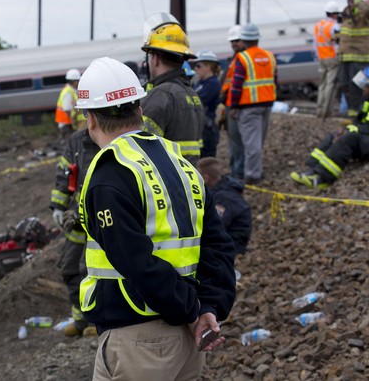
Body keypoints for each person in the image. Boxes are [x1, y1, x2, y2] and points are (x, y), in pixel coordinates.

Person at [74, 57, 236, 380]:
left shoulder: (110, 174)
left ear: (91, 118)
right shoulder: (180, 162)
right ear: (140, 108)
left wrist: (193, 312)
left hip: (139, 342)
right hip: (188, 343)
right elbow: (218, 246)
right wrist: (208, 308)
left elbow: (138, 264)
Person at [291, 66, 369, 189]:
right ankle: (312, 170)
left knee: (348, 139)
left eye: (365, 85)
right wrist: (345, 130)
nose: (363, 89)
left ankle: (322, 179)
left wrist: (348, 132)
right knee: (334, 136)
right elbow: (360, 122)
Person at [49, 128, 101, 337]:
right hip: (79, 219)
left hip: (102, 222)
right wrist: (59, 206)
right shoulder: (77, 141)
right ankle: (80, 320)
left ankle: (96, 320)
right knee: (70, 268)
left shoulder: (113, 138)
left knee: (92, 271)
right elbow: (65, 173)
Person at [140, 12, 205, 165]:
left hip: (163, 181)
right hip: (188, 178)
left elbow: (139, 148)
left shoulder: (160, 95)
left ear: (155, 58)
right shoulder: (192, 94)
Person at [228, 23, 277, 185]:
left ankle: (252, 176)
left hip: (248, 106)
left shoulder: (243, 58)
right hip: (267, 103)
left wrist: (233, 106)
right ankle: (256, 171)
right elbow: (275, 79)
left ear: (244, 40)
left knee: (251, 144)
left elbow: (236, 85)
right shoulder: (269, 56)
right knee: (258, 141)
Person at [195, 157, 252, 254]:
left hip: (231, 244)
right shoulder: (221, 189)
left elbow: (215, 225)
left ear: (206, 179)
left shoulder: (223, 198)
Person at [338, 0, 369, 117]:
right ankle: (352, 113)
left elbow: (367, 11)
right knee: (345, 85)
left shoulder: (365, 13)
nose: (350, 2)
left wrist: (360, 1)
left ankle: (360, 114)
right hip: (345, 57)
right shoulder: (346, 14)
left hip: (360, 56)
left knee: (357, 86)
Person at [221, 25, 247, 179]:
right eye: (232, 42)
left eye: (237, 41)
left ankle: (238, 172)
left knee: (238, 141)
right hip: (231, 104)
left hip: (239, 105)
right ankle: (236, 169)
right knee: (234, 141)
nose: (234, 44)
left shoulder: (243, 59)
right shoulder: (234, 60)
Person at [314, 1, 341, 119]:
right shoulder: (334, 26)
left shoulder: (318, 25)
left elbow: (314, 44)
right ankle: (327, 111)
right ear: (335, 14)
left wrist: (319, 56)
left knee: (322, 85)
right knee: (330, 85)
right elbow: (337, 44)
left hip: (321, 58)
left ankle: (319, 110)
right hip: (332, 58)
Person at [193, 50, 222, 158]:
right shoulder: (200, 83)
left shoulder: (212, 84)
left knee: (206, 159)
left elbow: (196, 101)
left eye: (198, 66)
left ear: (208, 66)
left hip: (207, 129)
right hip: (201, 127)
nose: (196, 69)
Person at [55, 69, 83, 140]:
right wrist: (73, 121)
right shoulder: (68, 92)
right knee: (71, 146)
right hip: (67, 124)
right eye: (78, 81)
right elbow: (67, 109)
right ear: (73, 81)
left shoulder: (71, 90)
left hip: (69, 124)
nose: (79, 83)